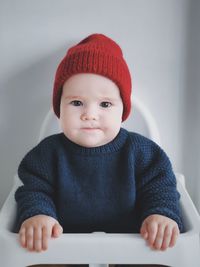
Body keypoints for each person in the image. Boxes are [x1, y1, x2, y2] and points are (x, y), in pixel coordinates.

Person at [15, 34, 183, 264]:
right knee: (35, 256)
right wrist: (38, 215)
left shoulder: (141, 152)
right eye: (76, 103)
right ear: (59, 108)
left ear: (123, 109)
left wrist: (160, 214)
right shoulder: (47, 154)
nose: (89, 114)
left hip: (132, 249)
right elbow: (33, 189)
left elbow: (160, 187)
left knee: (160, 255)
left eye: (105, 104)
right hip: (65, 249)